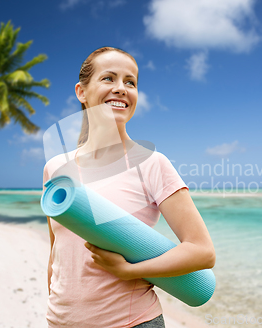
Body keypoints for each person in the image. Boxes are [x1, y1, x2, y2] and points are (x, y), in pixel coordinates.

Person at [43, 46, 216, 328]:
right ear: (81, 92)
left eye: (130, 82)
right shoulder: (55, 168)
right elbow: (56, 253)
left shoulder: (152, 164)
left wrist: (130, 270)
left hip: (132, 322)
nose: (121, 88)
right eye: (108, 78)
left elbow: (203, 251)